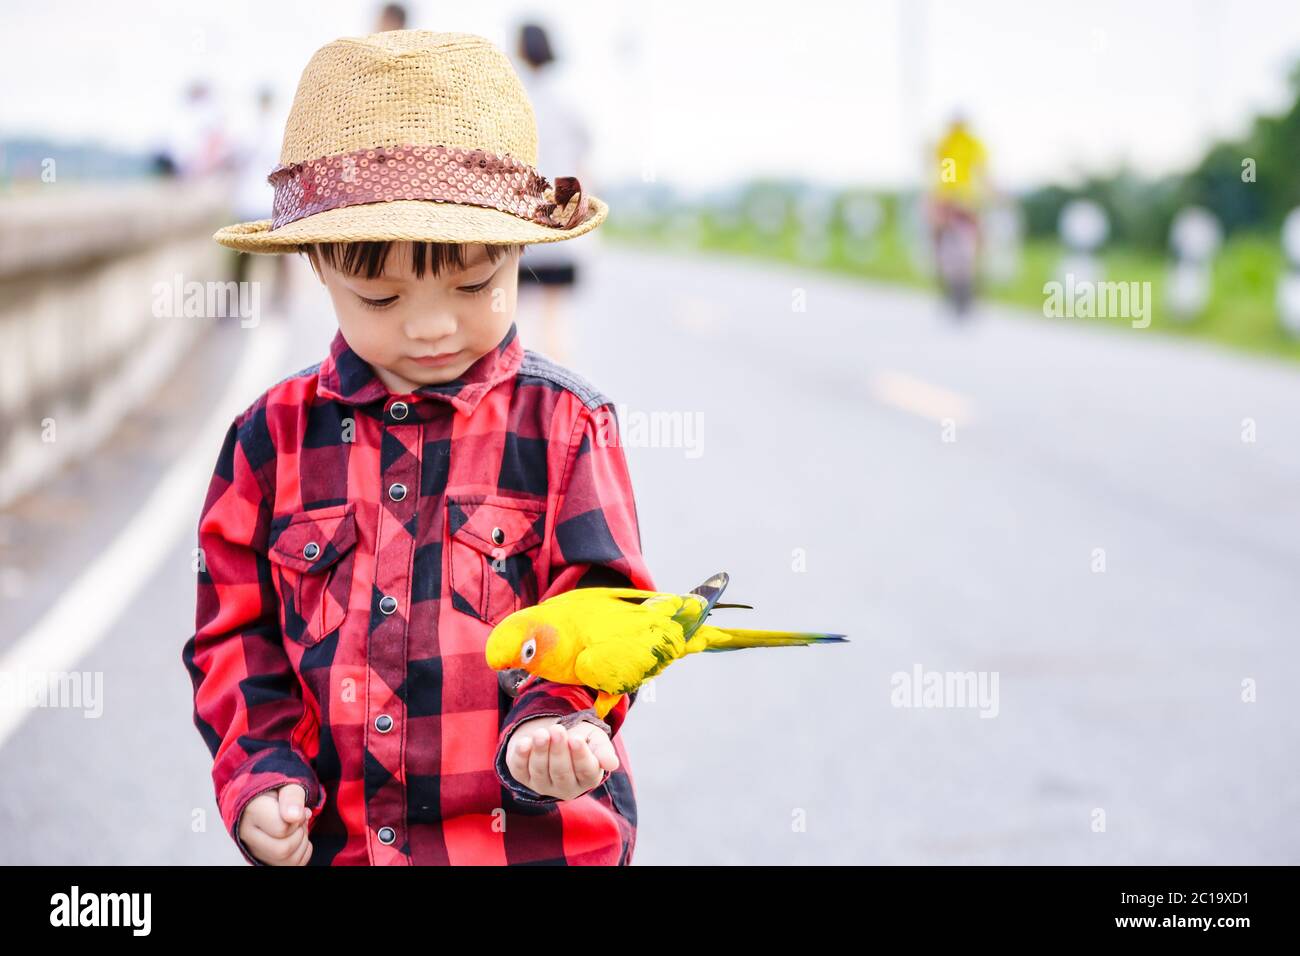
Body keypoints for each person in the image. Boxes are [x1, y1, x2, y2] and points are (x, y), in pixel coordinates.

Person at [183, 30, 654, 866]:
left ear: (519, 250)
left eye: (476, 286)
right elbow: (236, 635)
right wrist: (261, 775)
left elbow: (603, 607)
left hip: (533, 847)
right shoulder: (269, 440)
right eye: (381, 295)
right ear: (319, 268)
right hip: (345, 847)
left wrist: (554, 722)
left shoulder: (567, 426)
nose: (433, 326)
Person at [514, 22, 593, 363]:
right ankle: (561, 394)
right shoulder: (567, 101)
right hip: (563, 209)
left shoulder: (517, 99)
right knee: (555, 317)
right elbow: (581, 164)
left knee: (516, 314)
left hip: (524, 212)